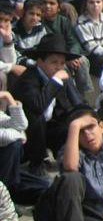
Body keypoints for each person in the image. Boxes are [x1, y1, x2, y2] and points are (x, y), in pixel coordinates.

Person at [9, 34, 84, 178]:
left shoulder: (61, 78)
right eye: (54, 62)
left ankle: (68, 164)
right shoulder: (29, 78)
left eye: (62, 63)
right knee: (37, 118)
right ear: (40, 62)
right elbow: (38, 106)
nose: (59, 67)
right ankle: (36, 166)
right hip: (25, 134)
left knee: (71, 124)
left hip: (48, 131)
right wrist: (55, 81)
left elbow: (76, 105)